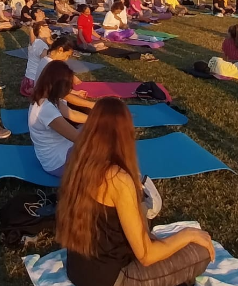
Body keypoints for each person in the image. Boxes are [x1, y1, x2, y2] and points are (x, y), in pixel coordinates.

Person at [59, 98, 215, 286]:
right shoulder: (117, 179)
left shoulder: (76, 161)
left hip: (77, 270)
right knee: (201, 250)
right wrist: (188, 234)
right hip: (112, 278)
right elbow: (147, 256)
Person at [28, 60, 88, 176]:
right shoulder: (46, 109)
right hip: (58, 163)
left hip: (61, 150)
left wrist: (98, 119)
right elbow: (78, 139)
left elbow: (72, 114)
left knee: (91, 127)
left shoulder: (45, 97)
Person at [22, 21, 53, 96]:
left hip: (27, 82)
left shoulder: (35, 42)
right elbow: (46, 66)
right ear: (41, 28)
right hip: (35, 84)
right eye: (47, 27)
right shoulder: (42, 46)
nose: (50, 30)